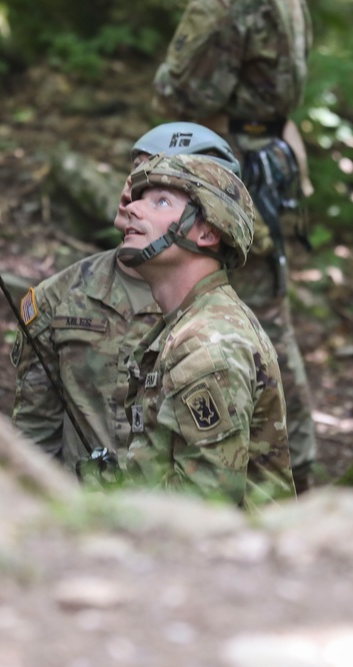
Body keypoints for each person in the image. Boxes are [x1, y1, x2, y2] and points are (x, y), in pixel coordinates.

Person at [149, 0, 318, 492]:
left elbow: (177, 91)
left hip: (225, 169)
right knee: (267, 317)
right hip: (263, 161)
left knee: (210, 312)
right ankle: (296, 464)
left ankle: (243, 469)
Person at [10, 122, 243, 475]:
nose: (130, 194)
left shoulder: (219, 325)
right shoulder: (56, 298)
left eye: (158, 192)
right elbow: (33, 436)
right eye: (134, 176)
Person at [118, 153, 295, 507]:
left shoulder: (207, 344)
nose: (134, 208)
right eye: (139, 198)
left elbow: (206, 506)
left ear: (207, 232)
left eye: (161, 201)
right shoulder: (189, 326)